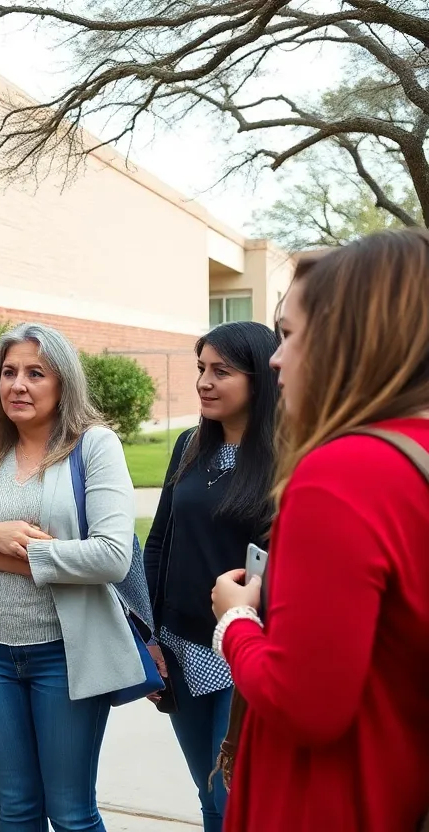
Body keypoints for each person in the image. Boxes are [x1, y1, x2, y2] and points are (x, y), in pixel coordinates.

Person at [211, 231, 429, 831]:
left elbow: (303, 705)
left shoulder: (343, 474)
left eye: (290, 334)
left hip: (326, 801)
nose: (276, 359)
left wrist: (235, 621)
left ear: (349, 339)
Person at [0, 322, 141, 832]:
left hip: (65, 655)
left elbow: (113, 556)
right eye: (8, 372)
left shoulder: (93, 446)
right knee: (17, 809)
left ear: (63, 382)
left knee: (71, 814)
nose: (17, 385)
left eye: (35, 373)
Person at [143, 321, 279, 832]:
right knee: (206, 795)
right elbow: (159, 541)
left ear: (260, 379)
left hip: (239, 651)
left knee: (235, 801)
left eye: (221, 371)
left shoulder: (287, 459)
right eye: (201, 368)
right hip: (180, 645)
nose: (204, 381)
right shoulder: (188, 445)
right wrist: (150, 636)